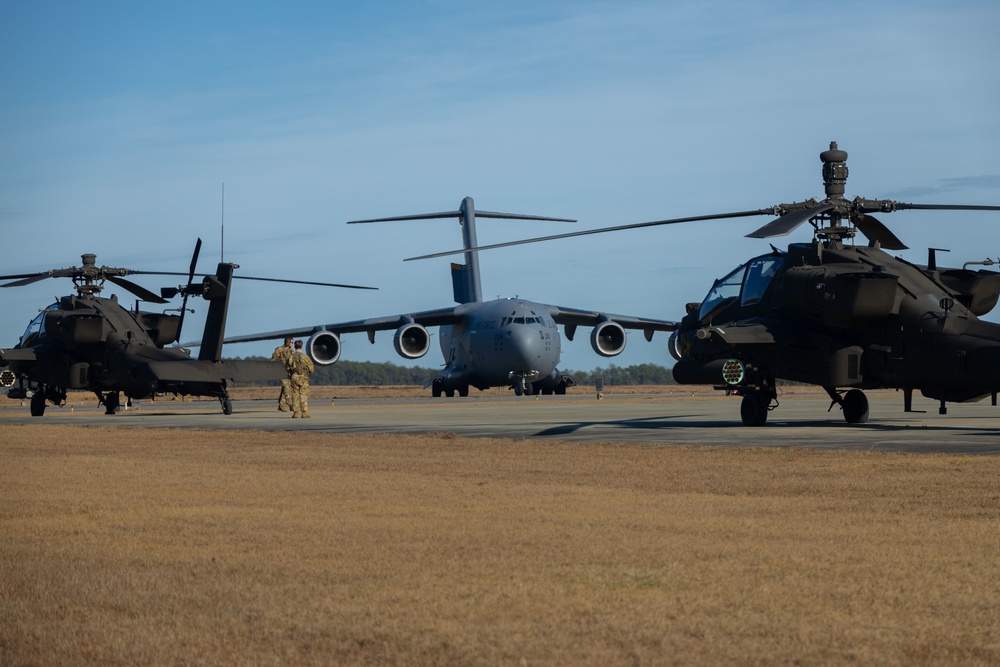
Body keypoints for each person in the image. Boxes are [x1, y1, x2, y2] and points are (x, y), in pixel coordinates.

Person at [285, 339, 315, 418]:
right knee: (303, 395)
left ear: (294, 346)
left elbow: (287, 368)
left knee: (295, 395)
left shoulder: (291, 357)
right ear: (301, 346)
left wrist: (291, 373)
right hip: (303, 378)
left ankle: (295, 413)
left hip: (294, 377)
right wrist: (307, 374)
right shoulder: (305, 357)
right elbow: (311, 369)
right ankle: (304, 412)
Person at [271, 337, 294, 412]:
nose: (292, 344)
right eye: (291, 342)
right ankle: (290, 404)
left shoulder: (291, 350)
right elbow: (273, 360)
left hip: (288, 372)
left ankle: (281, 405)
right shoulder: (279, 350)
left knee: (286, 388)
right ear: (287, 342)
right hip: (281, 371)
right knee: (286, 387)